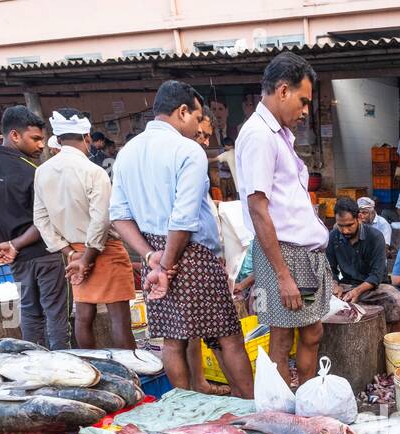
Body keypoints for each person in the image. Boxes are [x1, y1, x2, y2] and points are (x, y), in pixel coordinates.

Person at [111, 82, 253, 396]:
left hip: (155, 255)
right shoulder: (187, 150)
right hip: (191, 254)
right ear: (182, 112)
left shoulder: (126, 152)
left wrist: (151, 258)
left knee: (173, 341)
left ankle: (184, 409)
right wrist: (168, 263)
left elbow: (119, 216)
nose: (198, 126)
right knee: (228, 337)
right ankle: (251, 407)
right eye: (197, 116)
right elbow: (183, 218)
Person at [236, 51, 333, 386]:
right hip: (286, 255)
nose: (305, 111)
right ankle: (287, 411)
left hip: (298, 254)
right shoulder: (260, 135)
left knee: (309, 332)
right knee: (283, 337)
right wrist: (282, 274)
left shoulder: (275, 134)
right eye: (303, 101)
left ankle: (301, 400)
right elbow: (257, 207)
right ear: (282, 91)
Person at [34, 108, 137, 353]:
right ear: (87, 137)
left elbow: (41, 219)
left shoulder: (42, 172)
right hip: (104, 250)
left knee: (83, 315)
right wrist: (88, 257)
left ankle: (91, 365)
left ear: (57, 140)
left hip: (74, 252)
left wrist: (71, 254)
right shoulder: (94, 171)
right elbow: (101, 219)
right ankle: (131, 370)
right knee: (118, 318)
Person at [0, 106, 70, 349]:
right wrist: (14, 245)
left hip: (14, 253)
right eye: (35, 139)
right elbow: (44, 220)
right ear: (15, 135)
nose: (40, 146)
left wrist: (1, 245)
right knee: (55, 313)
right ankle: (64, 361)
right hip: (43, 252)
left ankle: (33, 357)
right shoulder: (34, 170)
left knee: (29, 310)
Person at [327, 196, 400, 326]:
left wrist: (358, 291)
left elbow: (376, 275)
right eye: (341, 226)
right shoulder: (334, 236)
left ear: (359, 218)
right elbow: (330, 268)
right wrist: (335, 284)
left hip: (373, 288)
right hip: (346, 285)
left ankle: (393, 342)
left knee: (397, 300)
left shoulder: (375, 237)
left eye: (349, 225)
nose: (345, 230)